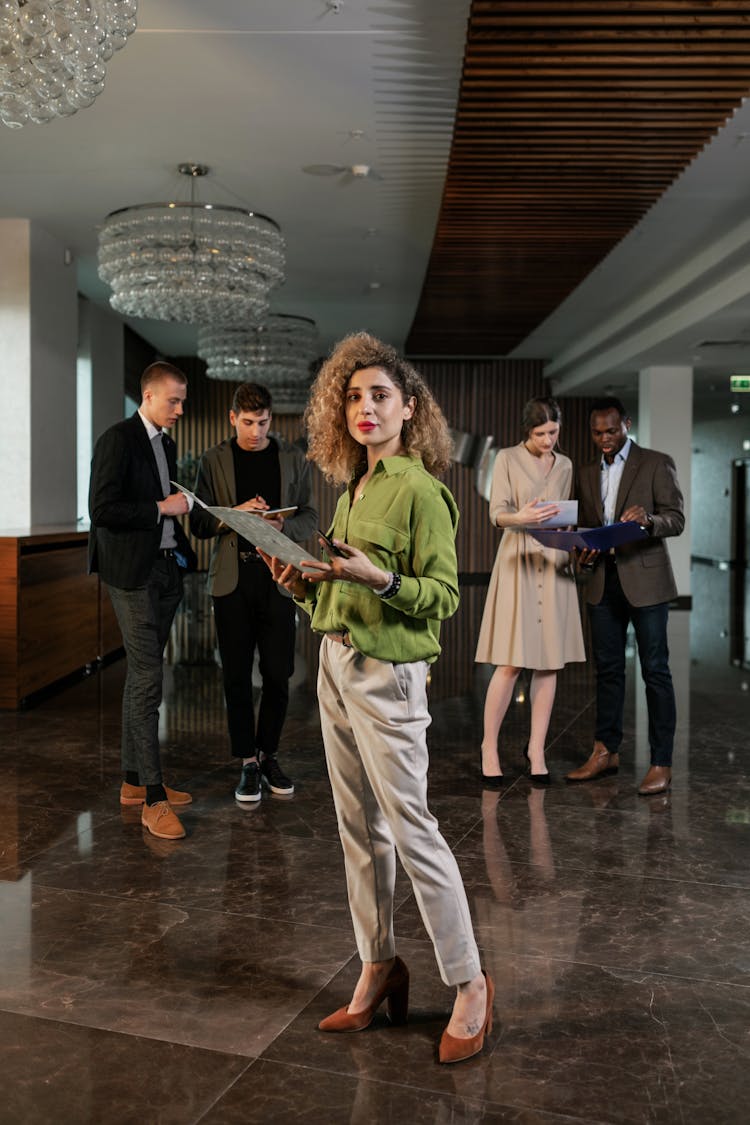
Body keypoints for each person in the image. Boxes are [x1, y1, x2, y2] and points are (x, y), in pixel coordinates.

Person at [260, 332, 493, 1065]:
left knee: (412, 830)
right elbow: (342, 599)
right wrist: (300, 585)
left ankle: (471, 981)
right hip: (334, 663)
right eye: (353, 396)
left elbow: (444, 598)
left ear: (409, 407)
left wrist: (380, 580)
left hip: (388, 678)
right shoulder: (353, 488)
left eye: (380, 395)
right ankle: (378, 963)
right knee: (357, 829)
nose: (365, 407)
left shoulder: (424, 490)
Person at [190, 382, 317, 802]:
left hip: (280, 579)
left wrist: (283, 525)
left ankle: (268, 755)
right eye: (247, 422)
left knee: (279, 674)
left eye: (262, 422)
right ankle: (247, 761)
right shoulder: (213, 460)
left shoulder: (292, 458)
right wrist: (234, 517)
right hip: (232, 582)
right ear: (233, 419)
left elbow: (310, 515)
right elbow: (199, 524)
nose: (256, 431)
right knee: (237, 677)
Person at [89, 362, 197, 841]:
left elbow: (171, 507)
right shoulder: (118, 439)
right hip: (130, 574)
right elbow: (102, 509)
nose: (179, 409)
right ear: (148, 396)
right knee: (150, 679)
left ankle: (133, 784)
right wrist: (160, 508)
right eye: (173, 400)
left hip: (165, 568)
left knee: (141, 676)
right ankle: (153, 798)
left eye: (182, 401)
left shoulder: (166, 444)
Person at [566, 396, 685, 795]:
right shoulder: (585, 472)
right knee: (608, 671)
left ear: (627, 425)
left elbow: (676, 518)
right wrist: (581, 548)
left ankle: (661, 762)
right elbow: (586, 526)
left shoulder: (655, 462)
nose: (604, 438)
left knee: (655, 670)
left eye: (611, 431)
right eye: (597, 432)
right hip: (603, 581)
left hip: (647, 581)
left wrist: (649, 520)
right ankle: (605, 751)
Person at [475, 397, 585, 785]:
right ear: (527, 431)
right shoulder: (506, 458)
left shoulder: (567, 464)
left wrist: (571, 533)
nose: (547, 440)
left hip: (554, 562)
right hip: (517, 560)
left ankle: (537, 748)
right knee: (510, 661)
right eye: (540, 434)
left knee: (549, 661)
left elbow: (566, 513)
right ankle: (489, 746)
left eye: (553, 432)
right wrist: (519, 517)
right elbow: (497, 513)